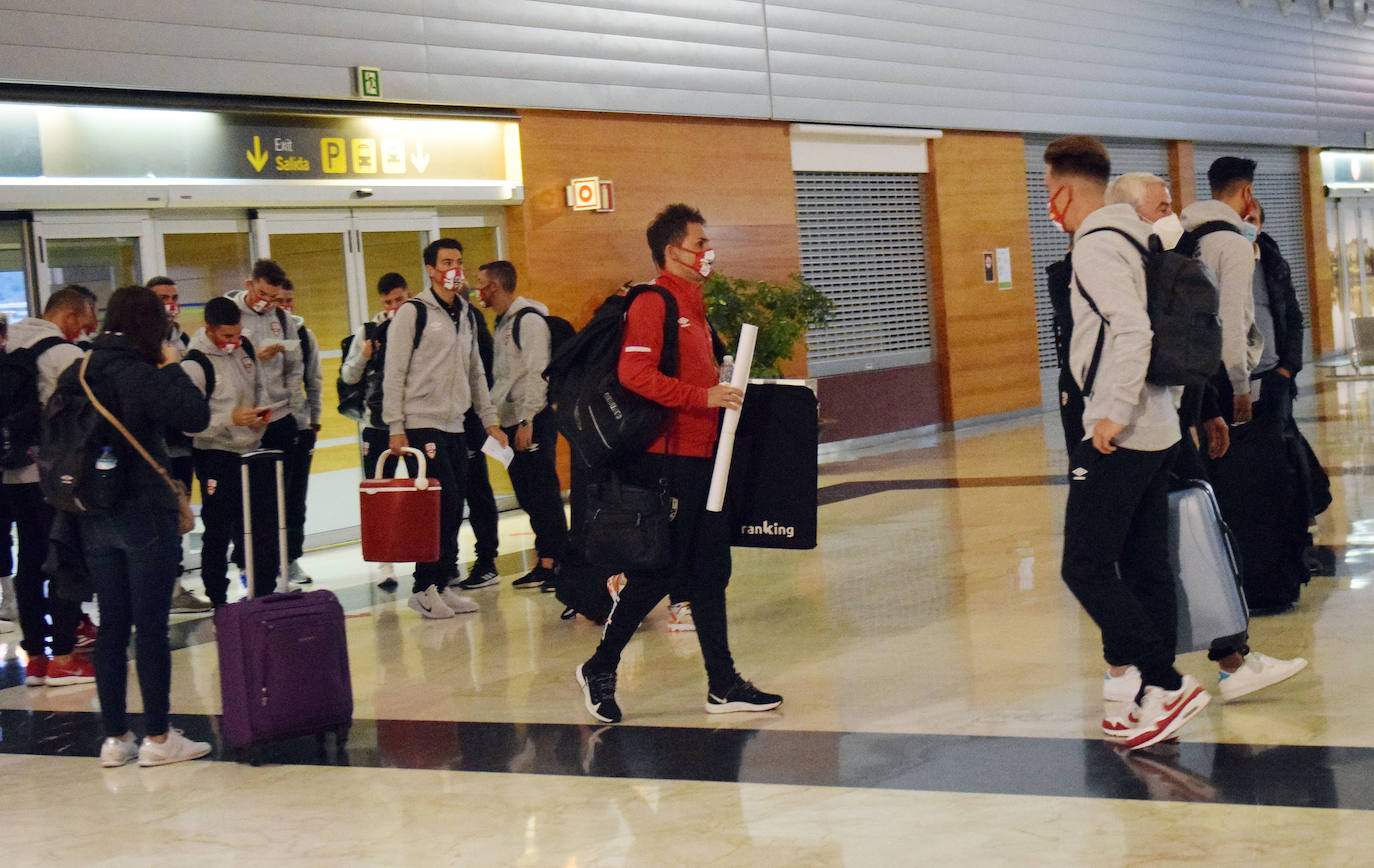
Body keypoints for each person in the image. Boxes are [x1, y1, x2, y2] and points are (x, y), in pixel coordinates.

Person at [1100, 174, 1307, 703]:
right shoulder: (1113, 268)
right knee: (1124, 553)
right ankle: (1130, 675)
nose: (1174, 214)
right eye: (1163, 205)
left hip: (1171, 424)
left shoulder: (1164, 265)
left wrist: (1210, 408)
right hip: (1133, 431)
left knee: (1192, 536)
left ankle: (1225, 662)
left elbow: (1194, 345)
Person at [574, 203, 783, 724]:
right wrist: (701, 397)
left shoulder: (696, 307)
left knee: (711, 571)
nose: (707, 252)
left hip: (704, 460)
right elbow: (633, 374)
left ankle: (722, 683)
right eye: (699, 243)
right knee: (660, 571)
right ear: (673, 251)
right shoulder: (655, 301)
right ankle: (600, 665)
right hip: (668, 464)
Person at [1044, 136, 1208, 750]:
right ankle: (1151, 699)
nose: (1047, 206)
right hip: (1159, 425)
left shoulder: (1096, 247)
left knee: (1083, 565)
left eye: (1045, 191)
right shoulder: (1139, 237)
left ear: (1062, 190)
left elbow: (1132, 331)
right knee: (1144, 566)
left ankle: (1166, 681)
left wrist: (1108, 414)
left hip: (1123, 432)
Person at [71, 286, 213, 768]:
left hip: (94, 514)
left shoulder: (82, 368)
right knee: (150, 627)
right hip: (143, 512)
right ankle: (157, 736)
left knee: (112, 625)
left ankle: (115, 738)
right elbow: (194, 415)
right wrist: (173, 365)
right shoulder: (137, 372)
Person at [382, 238, 506, 619]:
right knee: (438, 504)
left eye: (459, 262)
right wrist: (395, 426)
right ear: (431, 270)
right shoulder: (413, 312)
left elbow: (475, 372)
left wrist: (489, 420)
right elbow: (395, 370)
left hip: (455, 422)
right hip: (422, 422)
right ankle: (423, 587)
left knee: (454, 506)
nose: (455, 269)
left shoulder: (466, 313)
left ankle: (441, 582)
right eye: (447, 262)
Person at [2, 287, 97, 686]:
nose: (88, 327)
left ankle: (37, 657)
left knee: (29, 562)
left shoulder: (11, 343)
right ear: (72, 315)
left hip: (11, 472)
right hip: (51, 476)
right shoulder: (64, 355)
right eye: (87, 318)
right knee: (63, 560)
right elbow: (93, 411)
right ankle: (63, 655)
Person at [472, 260, 569, 591]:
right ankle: (546, 558)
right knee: (528, 494)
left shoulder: (529, 322)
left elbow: (537, 372)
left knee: (543, 492)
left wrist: (528, 419)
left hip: (533, 419)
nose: (477, 289)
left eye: (481, 283)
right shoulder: (502, 323)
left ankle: (558, 562)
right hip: (513, 420)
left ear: (495, 286)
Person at [183, 297, 273, 606]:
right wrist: (228, 420)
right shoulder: (195, 364)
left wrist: (259, 418)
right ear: (209, 329)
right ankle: (218, 597)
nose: (233, 342)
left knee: (260, 525)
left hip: (250, 450)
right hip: (215, 454)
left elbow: (259, 389)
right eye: (226, 337)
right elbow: (188, 423)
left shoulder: (245, 348)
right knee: (218, 527)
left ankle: (262, 590)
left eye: (237, 335)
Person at [226, 260, 302, 585]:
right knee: (249, 504)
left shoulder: (282, 319)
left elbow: (296, 366)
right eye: (261, 293)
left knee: (278, 504)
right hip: (247, 421)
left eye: (272, 297)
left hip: (280, 417)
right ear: (249, 284)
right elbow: (224, 361)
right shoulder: (229, 315)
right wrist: (257, 356)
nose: (266, 302)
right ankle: (247, 569)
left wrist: (299, 415)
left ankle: (276, 572)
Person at [340, 271, 412, 590]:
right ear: (381, 303)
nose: (395, 306)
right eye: (388, 302)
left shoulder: (417, 324)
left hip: (414, 421)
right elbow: (348, 375)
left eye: (400, 299)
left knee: (421, 488)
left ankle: (434, 559)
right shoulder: (368, 331)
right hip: (376, 424)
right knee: (380, 493)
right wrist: (364, 356)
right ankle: (385, 564)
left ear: (408, 296)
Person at [1180, 158, 1264, 427]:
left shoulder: (1185, 235)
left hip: (1189, 365)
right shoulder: (1234, 245)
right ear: (1247, 192)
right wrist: (1241, 386)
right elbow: (1231, 318)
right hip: (1223, 371)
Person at [147, 276, 212, 614]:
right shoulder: (144, 346)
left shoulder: (183, 341)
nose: (169, 304)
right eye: (161, 298)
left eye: (173, 297)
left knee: (181, 514)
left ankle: (174, 585)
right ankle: (160, 587)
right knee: (159, 517)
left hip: (183, 444)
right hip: (154, 446)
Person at [278, 280, 322, 586]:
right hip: (269, 430)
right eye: (280, 301)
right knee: (271, 500)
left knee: (296, 499)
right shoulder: (255, 335)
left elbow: (314, 380)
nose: (285, 307)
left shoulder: (304, 336)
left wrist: (314, 420)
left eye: (289, 300)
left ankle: (292, 558)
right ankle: (264, 562)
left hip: (301, 426)